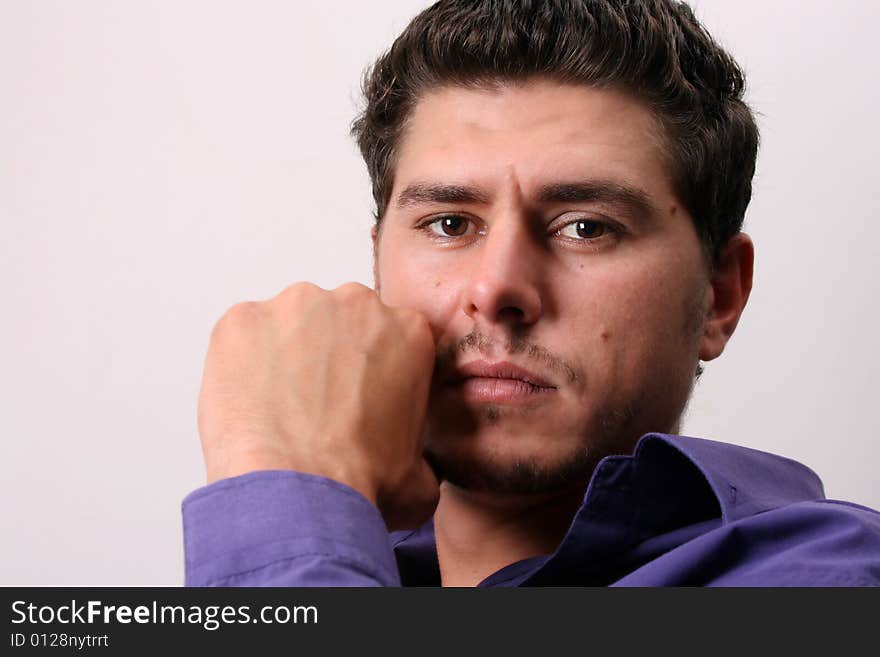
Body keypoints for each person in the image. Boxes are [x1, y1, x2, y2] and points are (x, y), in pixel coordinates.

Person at [182, 0, 880, 586]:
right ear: (379, 266)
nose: (497, 288)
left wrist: (283, 490)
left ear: (720, 296)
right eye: (450, 223)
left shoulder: (836, 575)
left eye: (586, 227)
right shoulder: (340, 560)